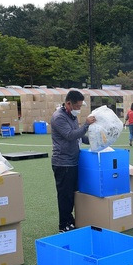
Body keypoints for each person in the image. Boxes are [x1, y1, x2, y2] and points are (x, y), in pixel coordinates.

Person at [51, 90, 96, 233]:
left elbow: (79, 136)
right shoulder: (59, 117)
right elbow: (70, 135)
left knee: (73, 195)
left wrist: (95, 141)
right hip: (63, 162)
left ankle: (71, 221)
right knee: (65, 196)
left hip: (74, 161)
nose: (79, 109)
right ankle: (63, 225)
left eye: (81, 106)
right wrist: (86, 125)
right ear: (68, 103)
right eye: (77, 106)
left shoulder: (72, 116)